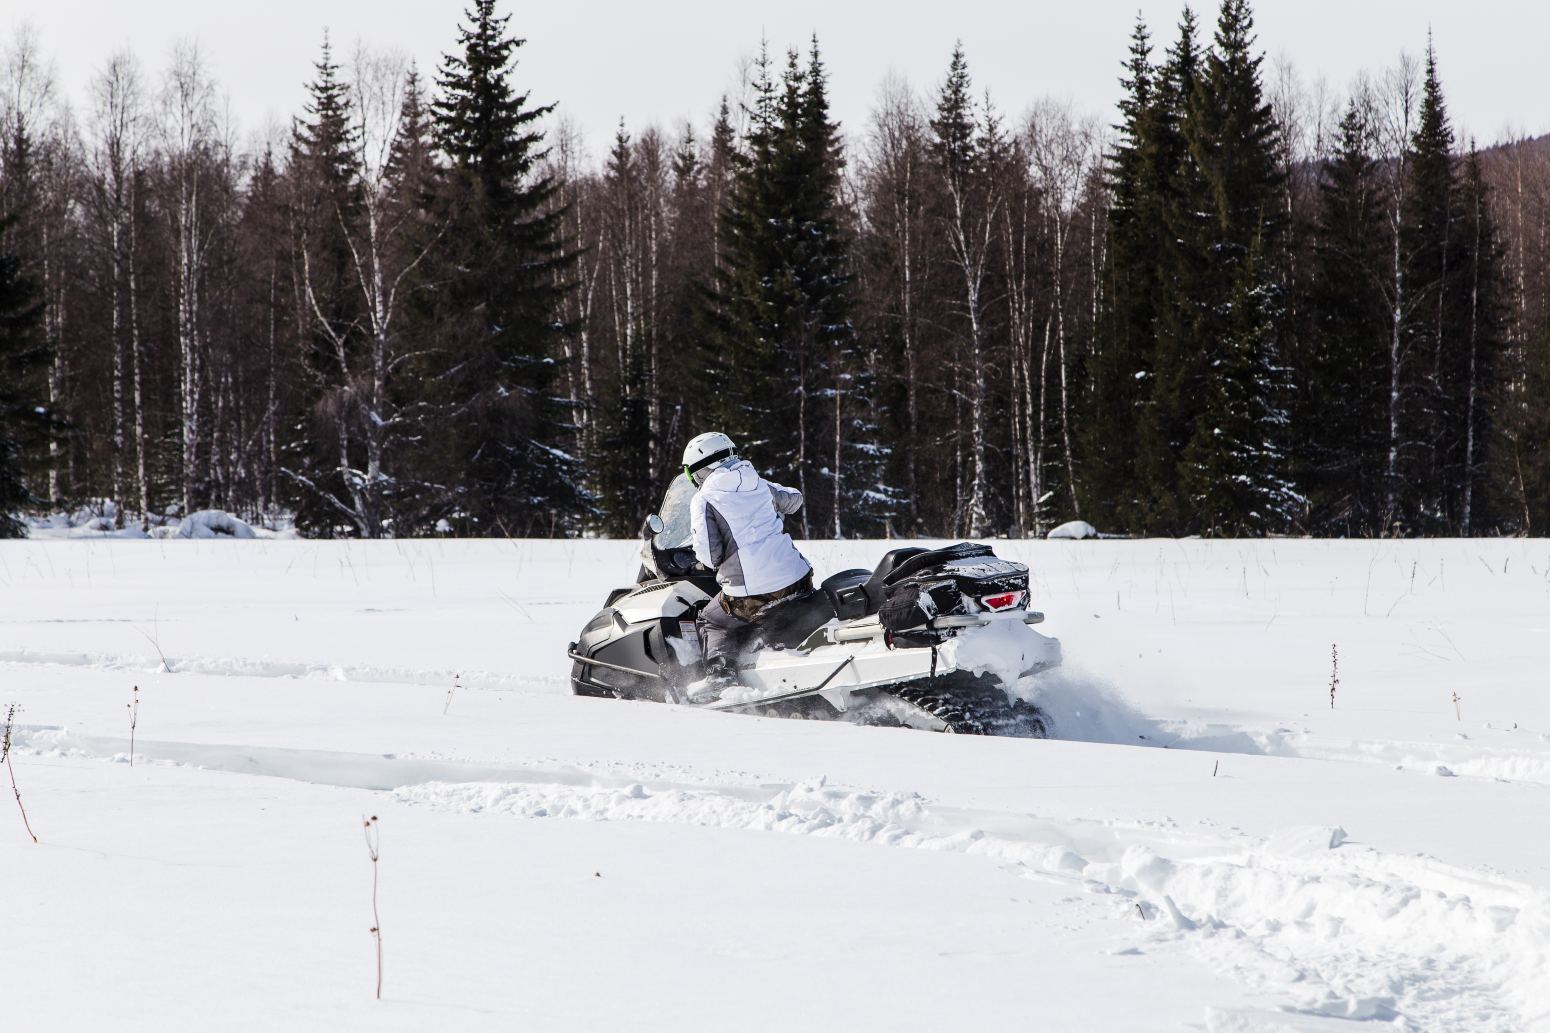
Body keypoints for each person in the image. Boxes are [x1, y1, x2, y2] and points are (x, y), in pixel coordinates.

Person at [682, 432, 812, 692]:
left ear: (700, 469)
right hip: (799, 579)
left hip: (757, 593)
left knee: (711, 618)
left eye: (690, 474)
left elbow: (709, 556)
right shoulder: (758, 482)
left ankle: (721, 678)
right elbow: (794, 500)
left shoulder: (705, 499)